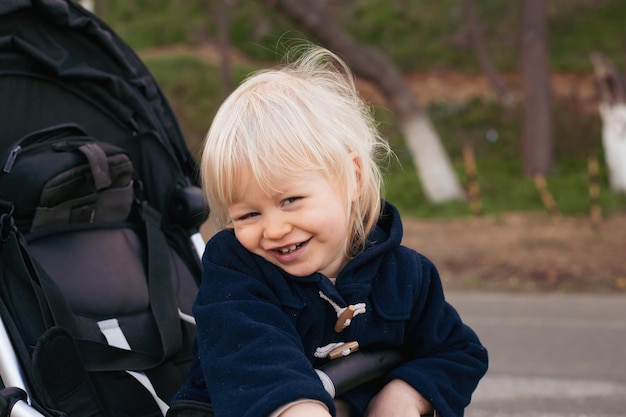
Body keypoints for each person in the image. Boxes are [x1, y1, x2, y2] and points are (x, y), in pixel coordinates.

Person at [170, 44, 488, 417]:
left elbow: (457, 351)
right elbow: (252, 353)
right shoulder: (236, 273)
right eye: (249, 215)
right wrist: (298, 407)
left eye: (290, 200)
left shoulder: (405, 275)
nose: (274, 229)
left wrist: (409, 392)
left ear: (352, 178)